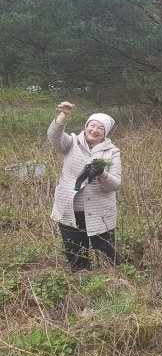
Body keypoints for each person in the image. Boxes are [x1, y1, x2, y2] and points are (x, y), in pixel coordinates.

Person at [48, 101, 122, 271]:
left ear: (105, 133)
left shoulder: (112, 152)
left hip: (100, 211)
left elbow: (115, 184)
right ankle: (82, 279)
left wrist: (102, 173)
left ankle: (111, 281)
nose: (94, 130)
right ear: (86, 126)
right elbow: (54, 136)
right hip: (70, 209)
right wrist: (63, 115)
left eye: (100, 128)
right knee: (76, 254)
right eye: (92, 125)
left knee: (106, 253)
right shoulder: (71, 142)